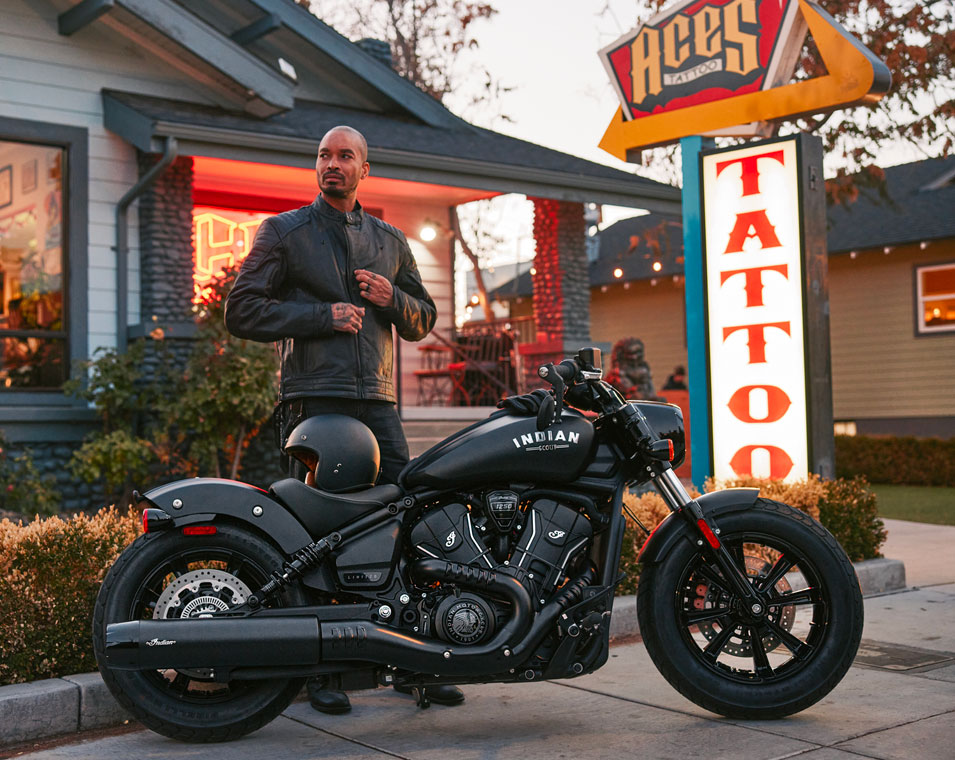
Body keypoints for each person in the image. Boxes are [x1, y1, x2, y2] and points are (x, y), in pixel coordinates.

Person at [224, 125, 464, 714]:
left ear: (364, 169)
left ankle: (418, 660)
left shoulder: (391, 240)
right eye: (324, 155)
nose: (332, 163)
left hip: (378, 402)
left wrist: (391, 299)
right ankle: (322, 671)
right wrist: (320, 316)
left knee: (411, 518)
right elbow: (241, 310)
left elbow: (423, 318)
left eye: (345, 156)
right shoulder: (284, 232)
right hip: (313, 400)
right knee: (311, 534)